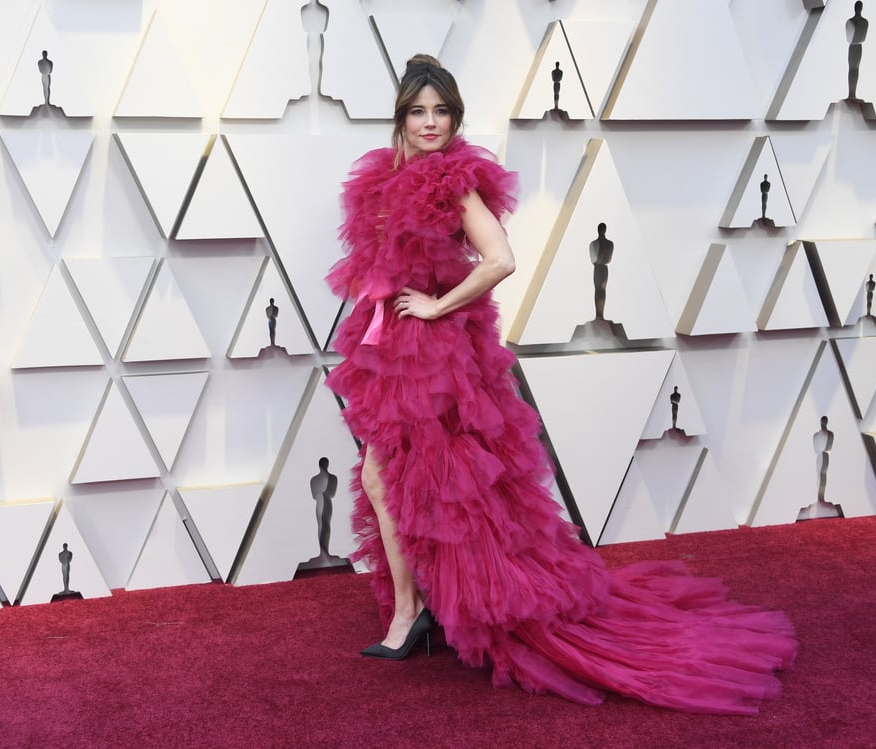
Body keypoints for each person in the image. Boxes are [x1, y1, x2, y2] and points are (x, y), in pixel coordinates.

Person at [325, 54, 796, 713]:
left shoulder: (455, 184)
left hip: (434, 361)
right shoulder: (388, 178)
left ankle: (413, 615)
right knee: (389, 479)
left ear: (454, 117)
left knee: (414, 483)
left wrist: (436, 305)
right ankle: (412, 608)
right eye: (418, 111)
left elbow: (501, 260)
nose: (431, 122)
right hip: (391, 350)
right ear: (401, 117)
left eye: (441, 111)